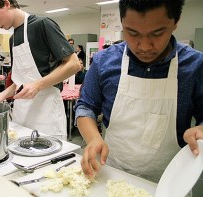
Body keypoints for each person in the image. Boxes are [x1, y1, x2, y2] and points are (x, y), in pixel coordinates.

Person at [75, 0, 203, 183]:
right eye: (132, 33)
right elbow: (86, 106)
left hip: (169, 182)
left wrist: (200, 129)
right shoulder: (104, 61)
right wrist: (94, 138)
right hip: (110, 174)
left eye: (157, 33)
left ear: (176, 22)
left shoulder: (195, 66)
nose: (144, 46)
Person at [0, 0, 80, 140]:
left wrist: (37, 86)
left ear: (7, 4)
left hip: (46, 113)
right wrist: (4, 94)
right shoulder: (12, 39)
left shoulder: (42, 25)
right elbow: (21, 79)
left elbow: (73, 64)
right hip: (22, 114)